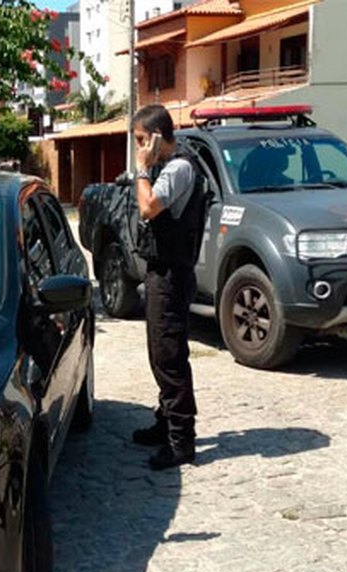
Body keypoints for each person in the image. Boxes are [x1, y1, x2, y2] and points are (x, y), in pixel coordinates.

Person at [128, 104, 208, 470]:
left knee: (169, 358)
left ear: (159, 137)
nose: (139, 148)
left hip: (172, 276)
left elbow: (148, 208)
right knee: (159, 353)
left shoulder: (177, 168)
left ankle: (181, 442)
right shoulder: (168, 167)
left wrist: (143, 169)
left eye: (143, 140)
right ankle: (166, 423)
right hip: (162, 271)